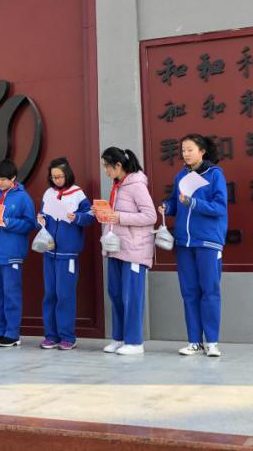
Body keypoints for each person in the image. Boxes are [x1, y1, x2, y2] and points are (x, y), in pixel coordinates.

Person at [160, 134, 228, 358]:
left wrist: (193, 202)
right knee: (189, 292)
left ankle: (212, 342)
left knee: (210, 291)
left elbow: (220, 207)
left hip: (208, 241)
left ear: (202, 151)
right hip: (184, 242)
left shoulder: (215, 174)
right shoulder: (181, 175)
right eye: (183, 150)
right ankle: (194, 342)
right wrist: (167, 207)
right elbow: (175, 202)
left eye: (190, 149)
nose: (185, 154)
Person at [100, 146, 156, 356]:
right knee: (115, 293)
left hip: (134, 250)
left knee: (131, 296)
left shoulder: (136, 185)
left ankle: (134, 342)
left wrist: (120, 217)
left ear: (118, 165)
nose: (105, 171)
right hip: (116, 248)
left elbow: (150, 216)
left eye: (107, 166)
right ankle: (119, 338)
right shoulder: (118, 186)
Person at [0, 160, 37, 347]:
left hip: (12, 254)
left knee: (11, 294)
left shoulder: (23, 198)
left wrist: (9, 222)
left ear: (13, 178)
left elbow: (31, 224)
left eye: (3, 179)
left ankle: (12, 334)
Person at [37, 157, 94, 350]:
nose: (57, 180)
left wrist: (76, 217)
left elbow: (90, 216)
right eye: (53, 177)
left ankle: (67, 336)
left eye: (60, 176)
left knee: (65, 295)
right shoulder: (48, 193)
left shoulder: (77, 193)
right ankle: (51, 335)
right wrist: (40, 219)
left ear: (67, 175)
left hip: (68, 253)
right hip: (49, 250)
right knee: (50, 294)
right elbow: (43, 214)